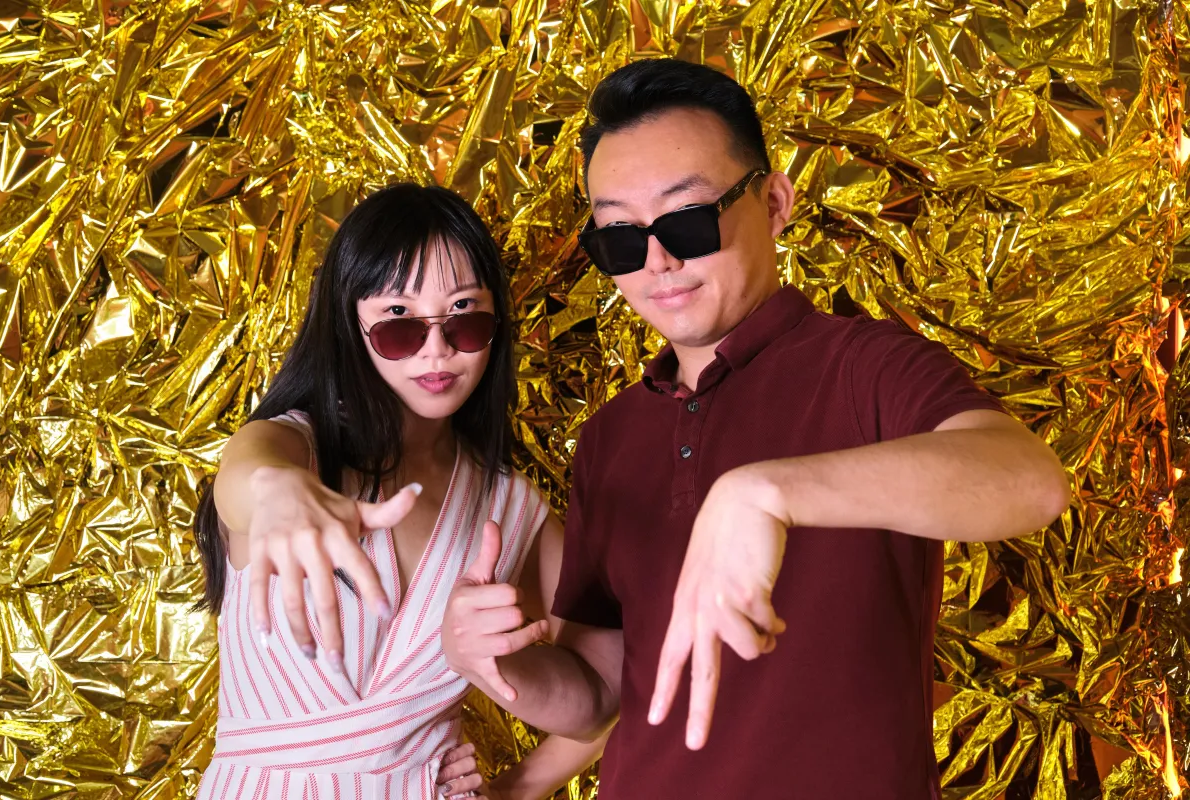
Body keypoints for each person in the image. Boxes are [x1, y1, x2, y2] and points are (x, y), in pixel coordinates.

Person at [439, 59, 1072, 798]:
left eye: (687, 220)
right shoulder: (612, 437)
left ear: (774, 202)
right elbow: (599, 694)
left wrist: (768, 492)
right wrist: (495, 663)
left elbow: (1028, 480)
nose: (659, 261)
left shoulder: (865, 367)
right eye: (620, 237)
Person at [192, 184, 608, 800]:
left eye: (465, 315)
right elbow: (250, 474)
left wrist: (511, 783)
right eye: (397, 322)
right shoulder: (293, 450)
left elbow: (599, 705)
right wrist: (281, 494)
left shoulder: (509, 508)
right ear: (348, 323)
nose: (436, 348)